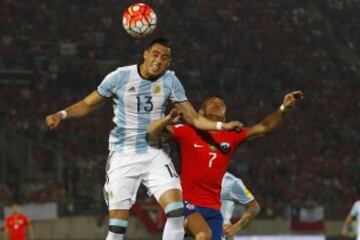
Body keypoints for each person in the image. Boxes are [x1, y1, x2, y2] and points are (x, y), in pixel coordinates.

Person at [45, 38, 242, 240]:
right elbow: (88, 103)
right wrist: (61, 114)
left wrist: (222, 126)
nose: (158, 60)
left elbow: (194, 118)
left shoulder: (170, 80)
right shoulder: (120, 77)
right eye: (155, 54)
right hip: (124, 153)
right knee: (118, 226)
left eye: (164, 57)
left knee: (176, 211)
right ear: (145, 54)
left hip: (156, 152)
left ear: (168, 63)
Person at [147, 91, 303, 240]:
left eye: (221, 103)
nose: (217, 103)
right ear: (200, 113)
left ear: (225, 115)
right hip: (187, 202)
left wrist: (283, 108)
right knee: (203, 235)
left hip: (213, 210)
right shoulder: (187, 131)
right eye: (212, 102)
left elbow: (264, 128)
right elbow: (152, 132)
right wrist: (167, 119)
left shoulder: (232, 135)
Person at [221, 172, 260, 240]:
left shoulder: (230, 181)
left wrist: (236, 228)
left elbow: (254, 206)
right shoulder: (197, 178)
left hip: (221, 235)